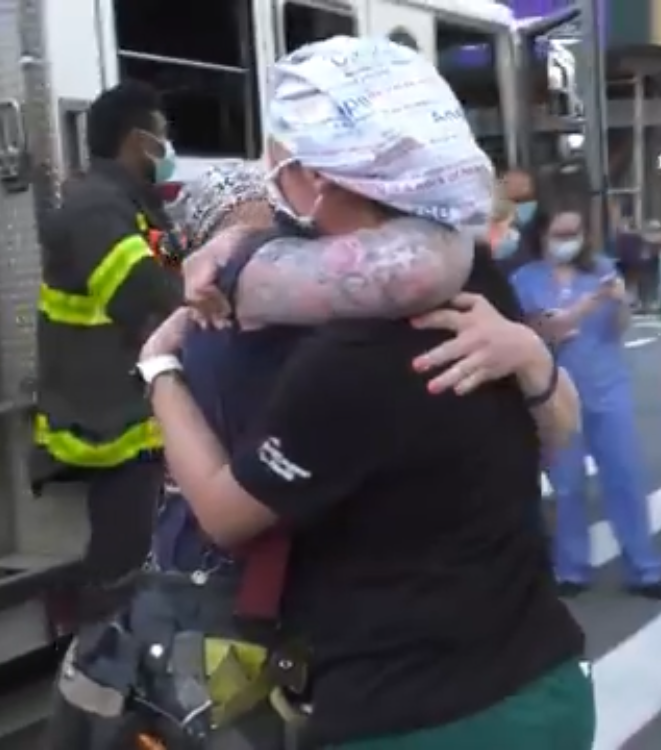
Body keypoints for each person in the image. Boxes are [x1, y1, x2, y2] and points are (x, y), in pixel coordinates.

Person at [142, 36, 594, 749]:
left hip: (415, 718)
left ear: (315, 178)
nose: (268, 174)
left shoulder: (348, 360)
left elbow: (227, 514)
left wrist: (159, 372)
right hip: (546, 690)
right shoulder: (475, 281)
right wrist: (533, 356)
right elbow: (560, 432)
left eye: (276, 156)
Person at [33, 81, 185, 616]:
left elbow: (177, 273)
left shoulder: (138, 206)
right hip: (105, 419)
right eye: (162, 136)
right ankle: (101, 651)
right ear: (139, 140)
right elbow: (145, 294)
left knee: (142, 551)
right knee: (121, 562)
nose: (168, 149)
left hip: (131, 410)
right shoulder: (96, 209)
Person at [510, 194, 661, 600]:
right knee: (567, 484)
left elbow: (618, 326)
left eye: (575, 232)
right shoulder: (525, 280)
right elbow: (543, 330)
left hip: (606, 385)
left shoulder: (600, 269)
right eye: (561, 232)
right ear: (542, 233)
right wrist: (586, 305)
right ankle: (571, 568)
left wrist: (619, 302)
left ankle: (645, 568)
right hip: (555, 388)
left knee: (625, 476)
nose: (569, 240)